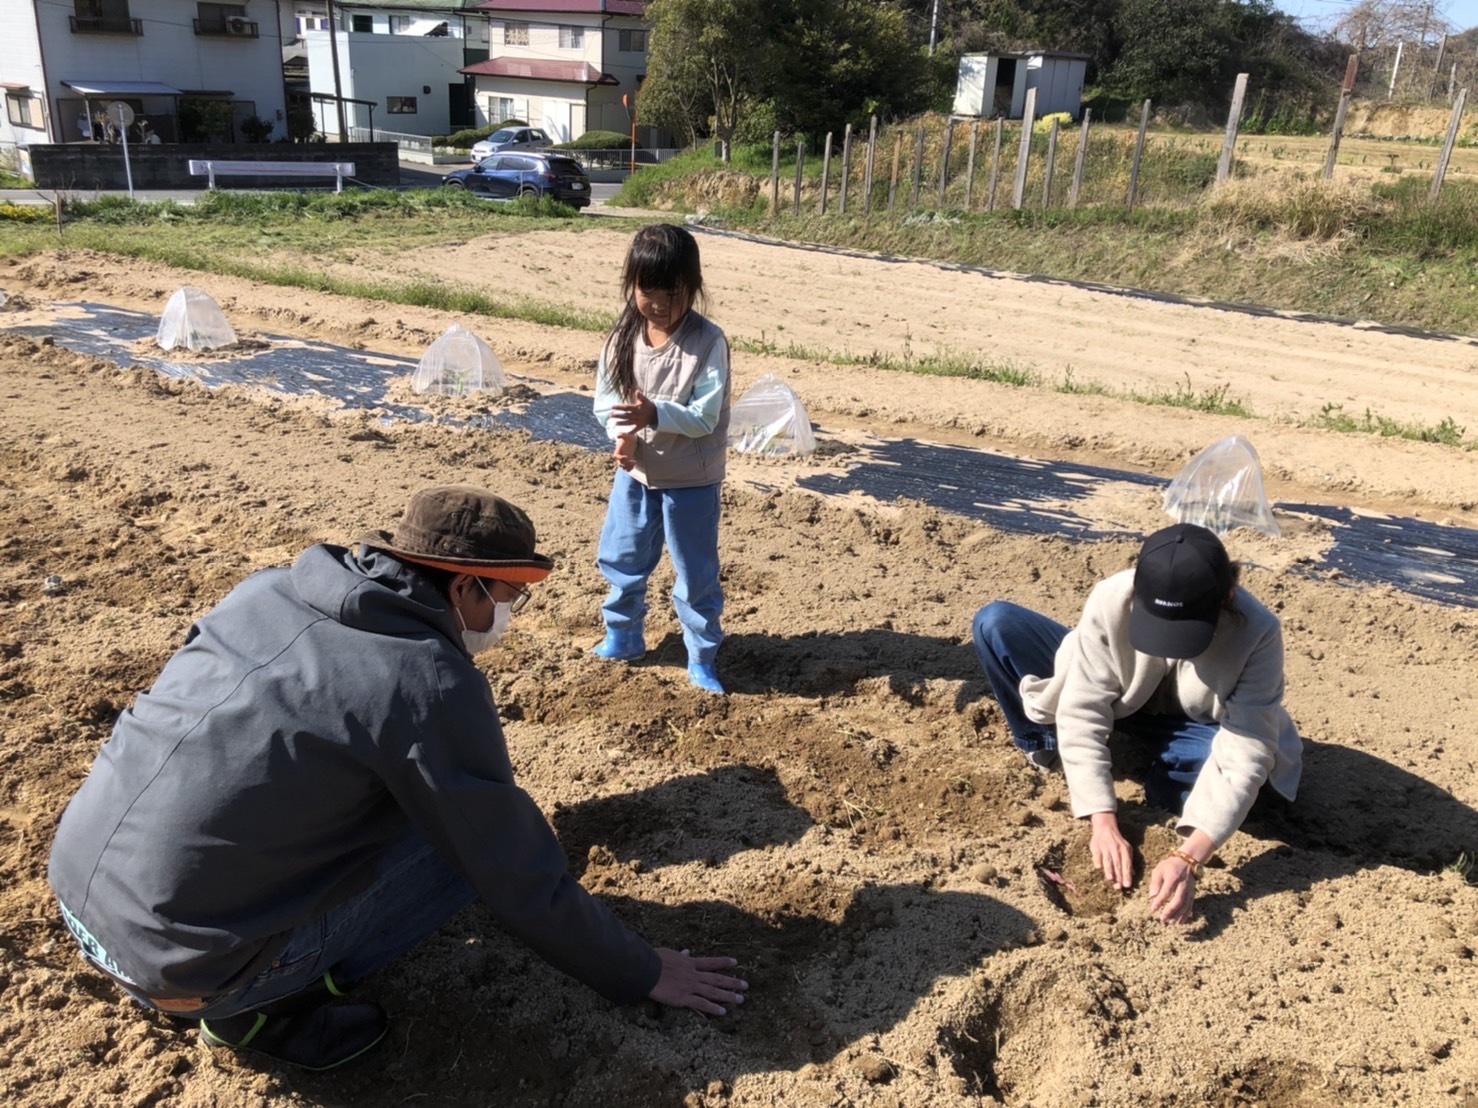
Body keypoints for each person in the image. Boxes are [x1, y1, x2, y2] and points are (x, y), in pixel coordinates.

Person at [47, 486, 747, 1072]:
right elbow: (515, 873)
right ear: (463, 586)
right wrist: (641, 969)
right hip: (188, 973)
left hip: (81, 890)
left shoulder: (265, 593)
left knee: (388, 798)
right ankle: (263, 1010)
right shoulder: (425, 679)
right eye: (509, 596)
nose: (509, 616)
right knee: (460, 852)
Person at [971, 523, 1302, 925]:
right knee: (997, 623)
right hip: (1125, 701)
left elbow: (1246, 749)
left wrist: (1188, 855)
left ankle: (1164, 785)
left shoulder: (1259, 632)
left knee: (1213, 765)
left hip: (1191, 724)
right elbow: (1082, 704)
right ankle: (1043, 744)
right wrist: (1102, 819)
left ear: (1227, 597)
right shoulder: (1112, 597)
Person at [590, 224, 732, 695]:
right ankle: (623, 635)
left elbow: (705, 416)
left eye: (674, 293)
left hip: (691, 479)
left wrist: (654, 413)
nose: (661, 305)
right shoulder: (621, 338)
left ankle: (702, 656)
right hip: (637, 475)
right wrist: (622, 435)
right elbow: (608, 400)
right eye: (649, 292)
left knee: (695, 572)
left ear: (694, 288)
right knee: (623, 556)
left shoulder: (707, 342)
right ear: (632, 286)